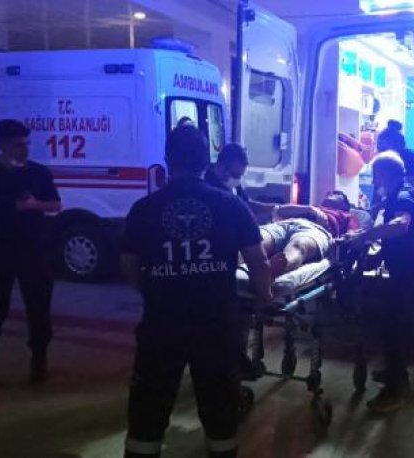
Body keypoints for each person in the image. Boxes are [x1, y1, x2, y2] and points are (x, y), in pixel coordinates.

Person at [121, 124, 272, 458]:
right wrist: (265, 298)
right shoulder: (231, 206)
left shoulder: (144, 209)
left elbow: (129, 266)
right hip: (215, 326)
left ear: (168, 159)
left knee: (148, 412)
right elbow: (259, 262)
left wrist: (154, 290)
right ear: (206, 161)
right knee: (220, 412)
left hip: (161, 326)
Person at [0, 119, 62, 394]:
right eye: (19, 145)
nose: (25, 149)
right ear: (2, 145)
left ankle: (39, 361)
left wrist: (34, 205)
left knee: (38, 308)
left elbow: (56, 204)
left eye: (27, 143)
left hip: (33, 250)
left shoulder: (38, 173)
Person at [347, 151, 414, 413]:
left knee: (394, 329)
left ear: (384, 174)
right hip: (405, 272)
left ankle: (395, 391)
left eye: (375, 174)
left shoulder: (404, 196)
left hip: (408, 275)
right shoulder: (398, 193)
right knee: (392, 326)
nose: (373, 180)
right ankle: (396, 372)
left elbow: (401, 225)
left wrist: (365, 236)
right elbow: (388, 216)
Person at [262, 191, 360, 277]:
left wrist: (343, 239)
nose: (329, 194)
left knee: (299, 245)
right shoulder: (313, 207)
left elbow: (352, 233)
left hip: (318, 230)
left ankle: (270, 270)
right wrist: (308, 209)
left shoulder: (348, 216)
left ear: (344, 204)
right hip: (288, 223)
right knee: (261, 237)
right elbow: (280, 211)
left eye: (335, 194)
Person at [204, 143, 277, 219]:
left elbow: (246, 203)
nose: (238, 179)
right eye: (236, 175)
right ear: (222, 167)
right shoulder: (207, 185)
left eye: (240, 176)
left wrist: (275, 208)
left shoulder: (233, 180)